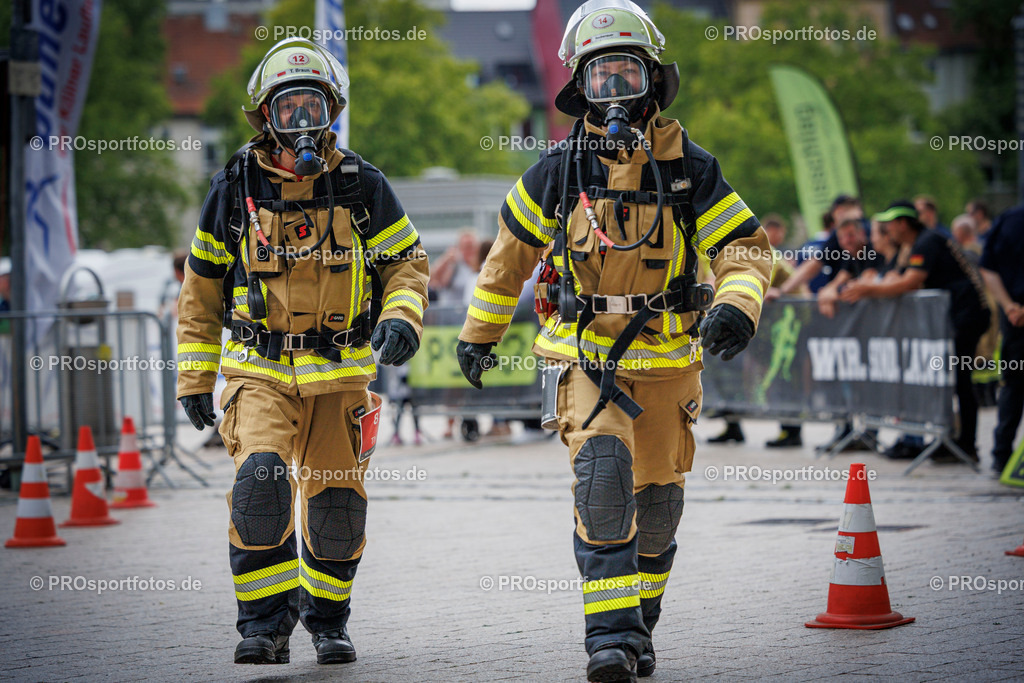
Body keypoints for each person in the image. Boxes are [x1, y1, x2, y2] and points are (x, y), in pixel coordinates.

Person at [456, 3, 772, 679]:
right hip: (586, 357)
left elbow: (743, 248)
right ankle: (608, 639)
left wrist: (739, 305)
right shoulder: (560, 169)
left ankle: (640, 622)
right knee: (602, 480)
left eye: (628, 72)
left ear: (653, 81)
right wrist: (478, 335)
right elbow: (507, 257)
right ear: (582, 87)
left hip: (668, 360)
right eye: (601, 76)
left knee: (657, 508)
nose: (615, 90)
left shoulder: (691, 168)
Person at [175, 38, 429, 666]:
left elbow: (406, 264)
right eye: (288, 110)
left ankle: (327, 620)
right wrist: (193, 379)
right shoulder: (235, 189)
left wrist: (402, 317)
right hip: (259, 371)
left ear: (332, 110)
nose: (302, 124)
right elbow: (201, 289)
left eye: (312, 107)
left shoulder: (362, 185)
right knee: (259, 484)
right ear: (266, 117)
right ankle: (263, 625)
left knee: (337, 505)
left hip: (340, 373)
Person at [841, 200, 990, 461]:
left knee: (961, 381)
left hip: (967, 316)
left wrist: (868, 290)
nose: (888, 231)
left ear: (902, 224)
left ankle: (966, 444)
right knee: (951, 380)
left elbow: (910, 282)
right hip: (958, 315)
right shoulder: (916, 244)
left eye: (890, 225)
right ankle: (953, 439)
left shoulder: (927, 241)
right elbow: (898, 276)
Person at [979, 204, 1024, 474]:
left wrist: (1009, 306)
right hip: (1016, 317)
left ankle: (1002, 455)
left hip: (1015, 318)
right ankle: (1002, 454)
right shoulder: (1010, 219)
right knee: (1012, 384)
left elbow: (988, 268)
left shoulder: (1008, 218)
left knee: (1013, 385)